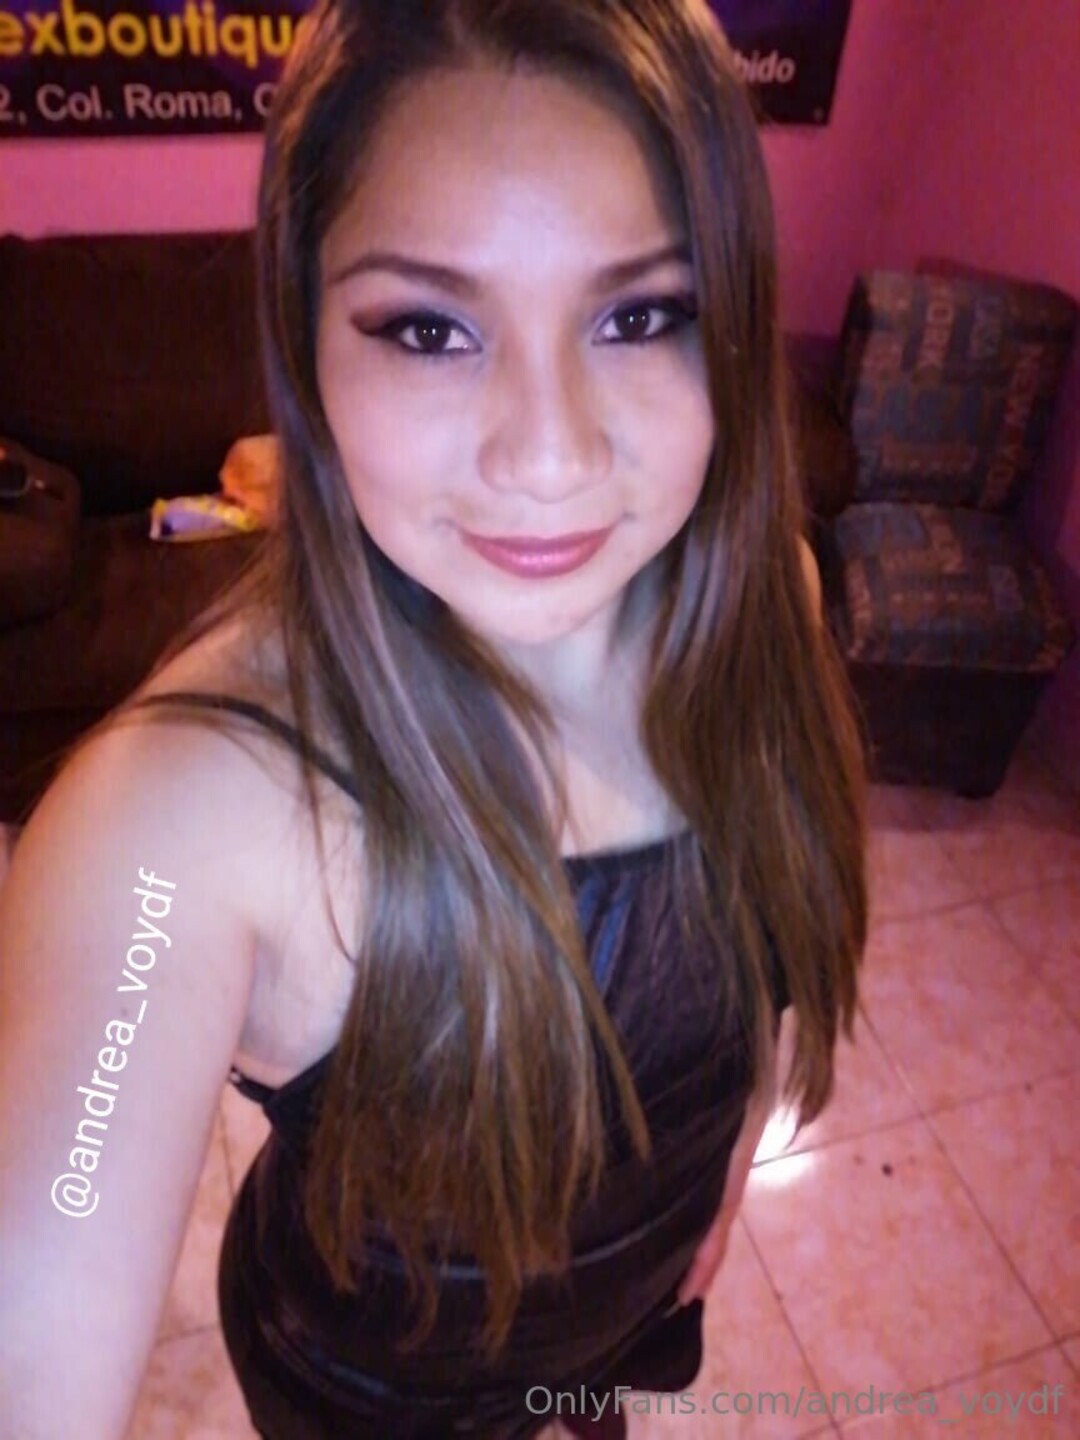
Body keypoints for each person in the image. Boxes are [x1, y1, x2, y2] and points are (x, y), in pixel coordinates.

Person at [0, 1, 868, 1435]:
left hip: (622, 1323)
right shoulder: (181, 819)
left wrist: (710, 1205)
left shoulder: (768, 600)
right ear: (306, 352)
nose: (549, 454)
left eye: (640, 315)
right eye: (430, 329)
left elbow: (753, 978)